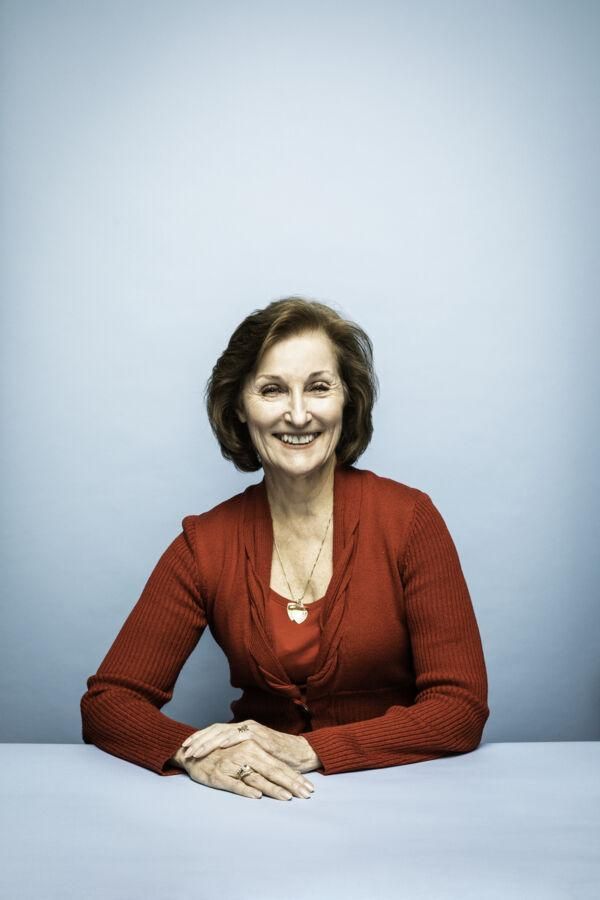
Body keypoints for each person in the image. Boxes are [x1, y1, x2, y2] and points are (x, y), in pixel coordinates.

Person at [80, 296, 490, 802]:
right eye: (273, 390)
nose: (298, 415)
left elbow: (460, 707)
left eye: (318, 388)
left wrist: (310, 749)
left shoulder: (409, 520)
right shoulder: (204, 543)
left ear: (347, 400)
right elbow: (108, 701)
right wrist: (194, 750)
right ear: (239, 407)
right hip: (254, 806)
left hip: (403, 794)